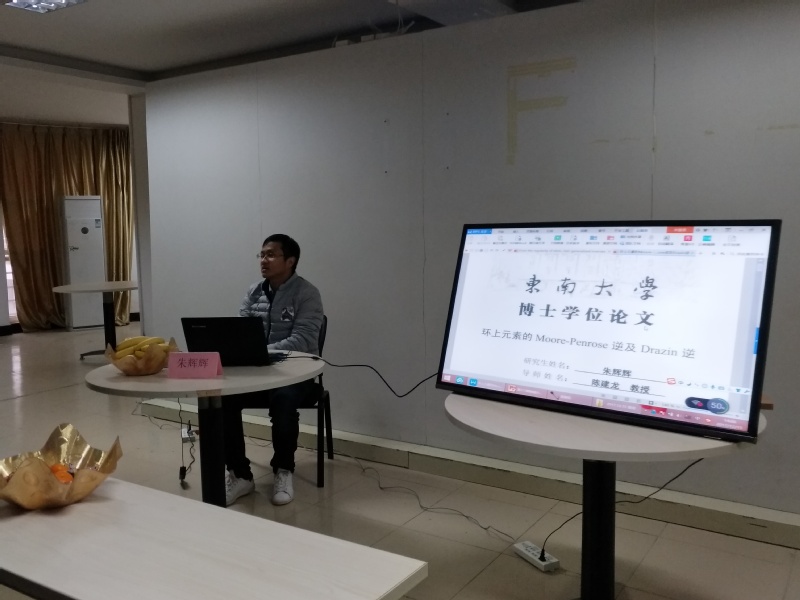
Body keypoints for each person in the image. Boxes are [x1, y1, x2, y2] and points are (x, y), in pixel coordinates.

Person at [222, 234, 324, 506]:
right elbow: (240, 330)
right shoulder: (254, 291)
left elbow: (303, 340)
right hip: (257, 373)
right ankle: (240, 474)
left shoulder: (307, 293)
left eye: (270, 254)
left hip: (296, 373)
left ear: (290, 261)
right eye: (261, 255)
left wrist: (261, 351)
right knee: (221, 397)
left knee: (283, 399)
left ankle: (283, 469)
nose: (263, 260)